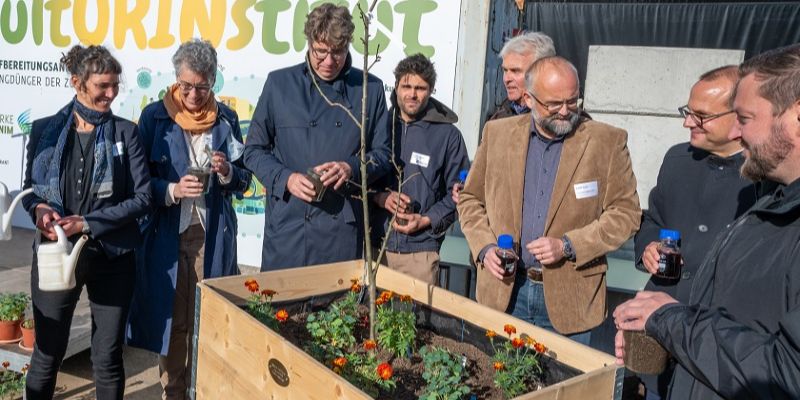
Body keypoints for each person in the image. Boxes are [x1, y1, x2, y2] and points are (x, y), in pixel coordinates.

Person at [613, 44, 800, 399]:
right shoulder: (682, 161)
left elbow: (784, 370)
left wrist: (671, 321)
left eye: (745, 119)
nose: (736, 134)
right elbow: (653, 219)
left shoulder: (764, 188)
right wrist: (656, 312)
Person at [458, 56, 640, 345]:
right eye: (554, 104)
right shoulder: (498, 134)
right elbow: (470, 199)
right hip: (505, 290)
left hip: (572, 300)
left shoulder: (606, 141)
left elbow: (626, 214)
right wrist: (484, 248)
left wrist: (569, 245)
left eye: (572, 101)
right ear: (529, 99)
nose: (566, 111)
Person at [20, 45, 152, 399]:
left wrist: (88, 223)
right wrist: (40, 211)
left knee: (107, 357)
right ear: (77, 82)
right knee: (47, 354)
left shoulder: (127, 133)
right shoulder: (45, 130)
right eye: (102, 86)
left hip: (112, 258)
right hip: (55, 256)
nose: (111, 94)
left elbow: (143, 199)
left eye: (114, 86)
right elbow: (30, 191)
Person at [125, 39, 251, 400]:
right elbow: (137, 182)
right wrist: (171, 190)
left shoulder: (225, 119)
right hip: (168, 234)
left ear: (213, 80)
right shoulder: (154, 117)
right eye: (186, 85)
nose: (194, 95)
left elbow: (244, 182)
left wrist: (228, 172)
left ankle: (204, 387)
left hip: (210, 236)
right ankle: (174, 391)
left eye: (202, 86)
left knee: (207, 319)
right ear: (175, 78)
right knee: (173, 321)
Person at [633, 65, 768, 399]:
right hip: (662, 333)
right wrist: (648, 245)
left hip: (718, 346)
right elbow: (653, 219)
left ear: (739, 118)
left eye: (701, 116)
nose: (687, 122)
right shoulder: (678, 159)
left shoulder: (765, 180)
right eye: (688, 111)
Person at [243, 3, 390, 271]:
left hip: (340, 230)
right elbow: (253, 150)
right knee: (278, 307)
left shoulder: (370, 89)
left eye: (338, 52)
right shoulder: (279, 84)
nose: (329, 61)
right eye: (321, 52)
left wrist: (352, 167)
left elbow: (384, 154)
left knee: (337, 310)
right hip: (288, 226)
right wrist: (286, 179)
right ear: (309, 44)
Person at [372, 54, 469, 284]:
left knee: (414, 319)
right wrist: (381, 198)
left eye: (420, 88)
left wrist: (425, 220)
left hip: (420, 253)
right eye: (406, 86)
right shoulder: (378, 126)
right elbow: (357, 180)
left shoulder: (448, 136)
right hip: (374, 246)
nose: (412, 94)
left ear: (431, 89)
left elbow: (460, 195)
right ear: (395, 87)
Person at [489, 31, 555, 121]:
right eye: (505, 70)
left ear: (542, 73)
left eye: (515, 71)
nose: (506, 79)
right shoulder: (498, 119)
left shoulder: (559, 119)